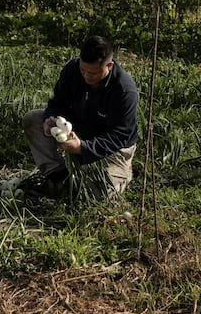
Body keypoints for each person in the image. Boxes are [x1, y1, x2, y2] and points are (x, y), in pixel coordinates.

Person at [20, 35, 138, 199]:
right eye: (83, 70)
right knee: (32, 119)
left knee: (95, 193)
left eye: (93, 73)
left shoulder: (124, 90)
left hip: (113, 149)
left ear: (109, 66)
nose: (86, 76)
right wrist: (51, 118)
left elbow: (119, 136)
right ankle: (57, 175)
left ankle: (122, 175)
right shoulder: (73, 69)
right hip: (78, 130)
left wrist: (83, 148)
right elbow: (58, 102)